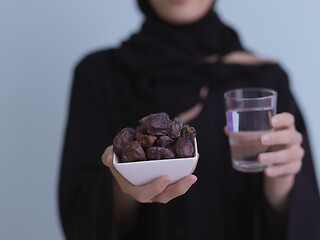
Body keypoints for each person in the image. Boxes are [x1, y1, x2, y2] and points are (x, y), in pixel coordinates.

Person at [58, 0, 320, 239]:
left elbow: (306, 225)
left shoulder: (264, 78)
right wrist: (123, 183)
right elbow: (79, 218)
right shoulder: (99, 75)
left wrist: (281, 178)